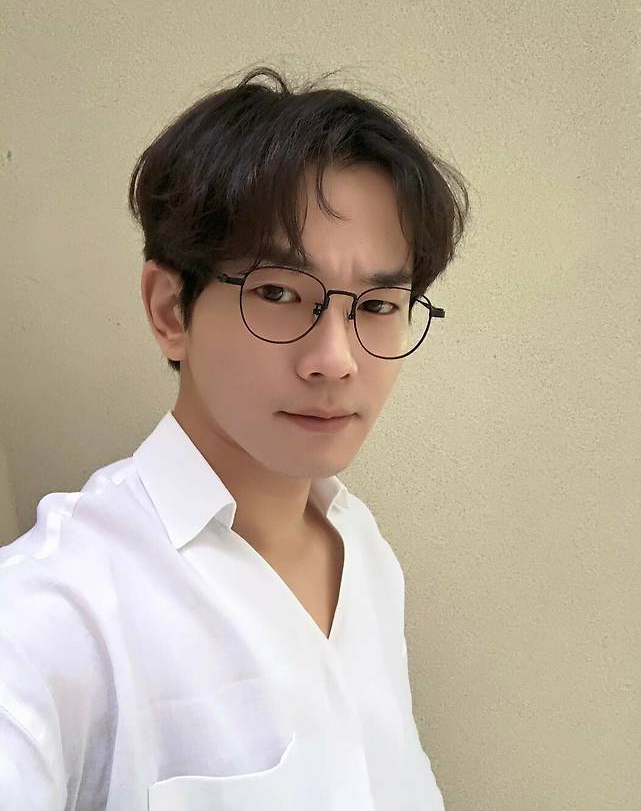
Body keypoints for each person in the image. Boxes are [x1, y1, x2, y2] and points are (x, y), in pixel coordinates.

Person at [0, 65, 469, 810]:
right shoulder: (55, 614)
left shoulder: (365, 550)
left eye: (379, 304)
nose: (336, 360)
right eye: (278, 292)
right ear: (170, 310)